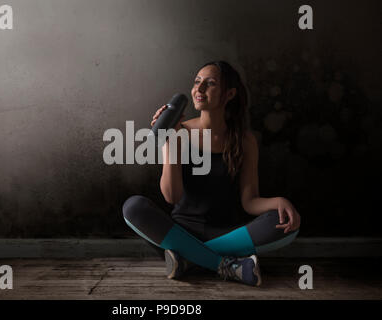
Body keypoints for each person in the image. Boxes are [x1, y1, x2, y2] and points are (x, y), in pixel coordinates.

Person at [122, 61, 301, 286]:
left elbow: (250, 201)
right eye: (197, 82)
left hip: (227, 234)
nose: (199, 89)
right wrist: (170, 141)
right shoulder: (180, 132)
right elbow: (172, 197)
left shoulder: (245, 140)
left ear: (229, 94)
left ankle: (188, 260)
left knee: (285, 222)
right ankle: (225, 265)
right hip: (181, 233)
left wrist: (279, 201)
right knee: (133, 207)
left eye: (210, 83)